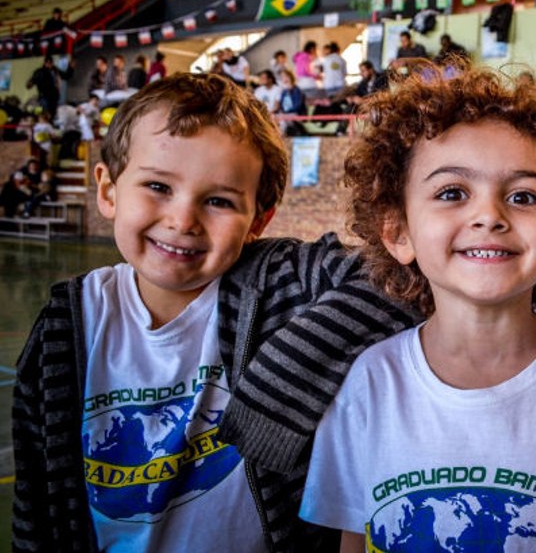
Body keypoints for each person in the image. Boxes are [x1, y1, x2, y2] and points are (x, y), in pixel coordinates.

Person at [12, 73, 418, 551]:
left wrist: (281, 379)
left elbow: (401, 277)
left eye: (219, 201)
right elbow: (37, 507)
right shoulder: (66, 324)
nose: (183, 220)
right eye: (158, 186)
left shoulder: (284, 280)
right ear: (108, 190)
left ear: (259, 219)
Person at [293, 67, 536, 552]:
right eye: (452, 193)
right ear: (399, 233)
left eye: (523, 196)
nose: (489, 216)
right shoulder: (369, 384)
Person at [276, 69, 308, 137]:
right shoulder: (284, 91)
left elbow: (298, 106)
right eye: (282, 77)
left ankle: (281, 136)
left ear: (289, 77)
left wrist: (286, 112)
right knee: (276, 118)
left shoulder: (297, 90)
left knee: (283, 120)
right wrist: (283, 112)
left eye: (284, 76)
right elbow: (282, 105)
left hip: (296, 113)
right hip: (286, 114)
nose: (283, 79)